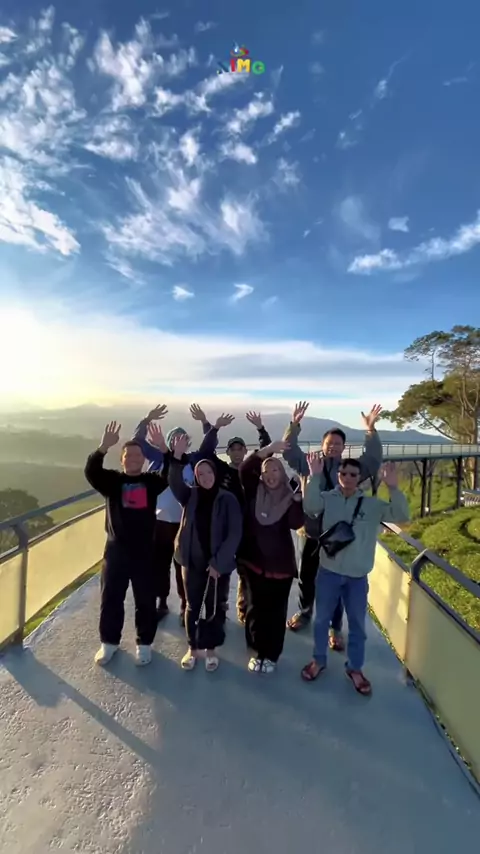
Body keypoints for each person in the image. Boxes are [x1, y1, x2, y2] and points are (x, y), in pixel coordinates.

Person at [300, 454, 409, 694]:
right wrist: (314, 477)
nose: (347, 478)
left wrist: (393, 487)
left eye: (353, 474)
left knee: (357, 625)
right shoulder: (328, 498)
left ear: (360, 478)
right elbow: (310, 507)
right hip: (328, 572)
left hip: (357, 577)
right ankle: (319, 660)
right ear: (337, 475)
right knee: (321, 621)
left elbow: (401, 515)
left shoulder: (372, 505)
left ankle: (355, 668)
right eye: (343, 474)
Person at [283, 401, 384, 648]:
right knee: (306, 578)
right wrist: (294, 425)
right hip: (310, 532)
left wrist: (371, 430)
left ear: (343, 448)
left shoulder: (350, 470)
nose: (333, 447)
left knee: (336, 583)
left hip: (338, 539)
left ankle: (335, 627)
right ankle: (305, 612)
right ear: (322, 445)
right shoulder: (309, 464)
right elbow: (289, 450)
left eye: (338, 444)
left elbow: (373, 459)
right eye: (329, 443)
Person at [132, 403, 232, 625]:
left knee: (182, 566)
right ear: (168, 442)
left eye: (183, 438)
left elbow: (208, 447)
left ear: (187, 443)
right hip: (159, 522)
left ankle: (185, 604)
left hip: (185, 523)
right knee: (159, 564)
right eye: (175, 438)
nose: (179, 441)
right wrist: (147, 418)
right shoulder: (157, 457)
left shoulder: (192, 460)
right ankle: (162, 602)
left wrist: (211, 425)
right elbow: (137, 440)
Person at [84, 421, 169, 667]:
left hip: (145, 552)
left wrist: (164, 449)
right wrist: (102, 448)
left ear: (144, 459)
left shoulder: (151, 482)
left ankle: (144, 644)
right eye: (128, 455)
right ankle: (109, 643)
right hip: (116, 551)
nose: (133, 458)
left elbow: (170, 473)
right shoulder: (112, 481)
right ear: (121, 460)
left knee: (146, 599)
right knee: (111, 597)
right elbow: (91, 472)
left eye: (137, 455)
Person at [168, 433, 243, 672]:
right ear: (196, 477)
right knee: (192, 606)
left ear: (215, 473)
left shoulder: (228, 499)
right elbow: (174, 481)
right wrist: (177, 457)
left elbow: (234, 533)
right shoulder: (190, 495)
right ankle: (193, 648)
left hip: (217, 565)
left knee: (215, 607)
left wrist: (219, 563)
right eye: (200, 474)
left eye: (209, 472)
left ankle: (210, 649)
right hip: (191, 562)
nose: (205, 477)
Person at [237, 441, 305, 674]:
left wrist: (298, 500)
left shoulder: (289, 495)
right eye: (266, 471)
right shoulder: (254, 490)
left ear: (282, 473)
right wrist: (268, 449)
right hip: (254, 563)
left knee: (276, 614)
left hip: (280, 566)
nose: (270, 475)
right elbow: (245, 469)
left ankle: (272, 654)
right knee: (254, 610)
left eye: (275, 469)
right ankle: (256, 652)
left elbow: (296, 523)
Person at [199, 410, 272, 623]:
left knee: (246, 570)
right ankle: (219, 608)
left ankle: (244, 608)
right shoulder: (220, 470)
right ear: (228, 452)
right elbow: (206, 452)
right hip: (223, 531)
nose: (238, 453)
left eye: (241, 449)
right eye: (233, 449)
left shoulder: (252, 470)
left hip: (249, 529)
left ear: (246, 451)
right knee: (220, 570)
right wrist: (215, 428)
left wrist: (260, 428)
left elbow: (267, 450)